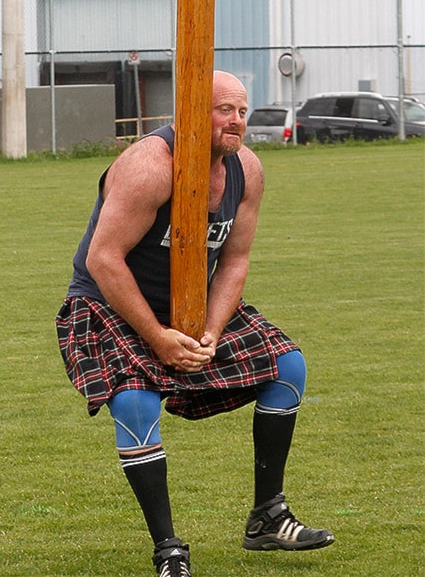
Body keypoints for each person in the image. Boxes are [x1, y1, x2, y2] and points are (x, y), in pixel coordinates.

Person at [56, 70, 334, 576]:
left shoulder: (246, 169)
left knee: (287, 367)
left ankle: (268, 517)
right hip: (110, 304)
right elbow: (104, 260)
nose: (237, 122)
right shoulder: (148, 166)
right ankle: (168, 548)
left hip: (192, 303)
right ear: (188, 111)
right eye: (223, 110)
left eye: (242, 111)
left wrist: (210, 326)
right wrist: (158, 337)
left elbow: (234, 260)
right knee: (135, 399)